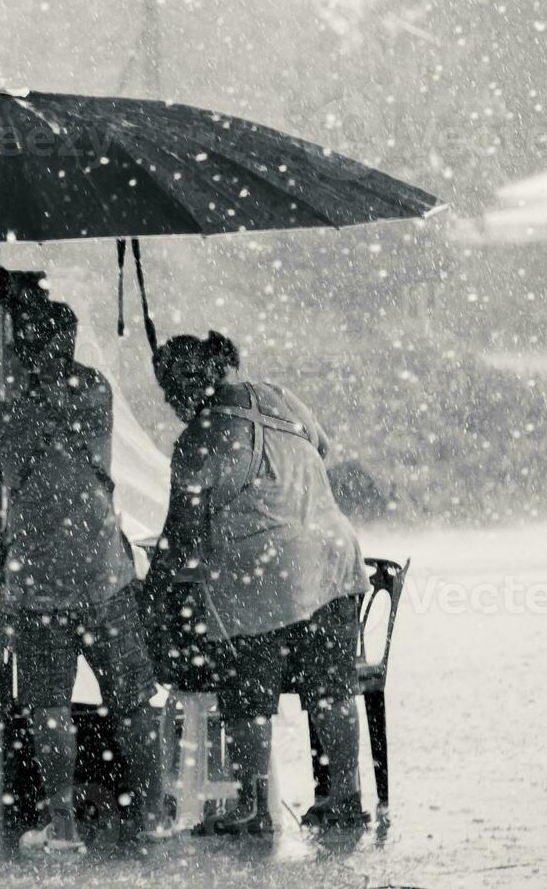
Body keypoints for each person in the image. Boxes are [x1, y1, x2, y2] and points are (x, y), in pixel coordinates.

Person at [150, 330, 371, 835]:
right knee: (332, 687)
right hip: (333, 553)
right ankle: (344, 795)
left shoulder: (197, 438)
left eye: (170, 390)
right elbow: (320, 445)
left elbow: (179, 533)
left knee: (247, 690)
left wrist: (155, 589)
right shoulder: (279, 395)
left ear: (190, 384)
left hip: (262, 569)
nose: (169, 402)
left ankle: (252, 808)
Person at [0, 296, 165, 853]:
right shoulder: (95, 393)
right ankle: (153, 812)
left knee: (49, 706)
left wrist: (13, 372)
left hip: (39, 584)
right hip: (104, 576)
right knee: (132, 699)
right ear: (68, 340)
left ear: (23, 347)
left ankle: (60, 824)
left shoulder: (5, 412)